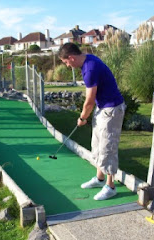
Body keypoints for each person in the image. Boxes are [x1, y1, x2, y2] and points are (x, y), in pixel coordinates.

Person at [58, 43, 125, 201]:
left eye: (66, 62)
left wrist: (82, 118)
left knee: (107, 146)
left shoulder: (90, 68)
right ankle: (100, 178)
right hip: (103, 108)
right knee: (97, 144)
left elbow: (89, 101)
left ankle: (110, 186)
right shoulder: (88, 60)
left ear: (71, 58)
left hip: (112, 109)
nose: (67, 66)